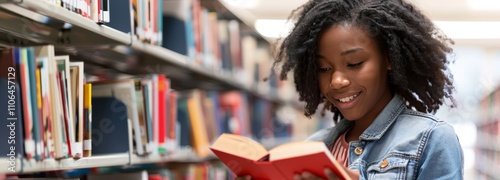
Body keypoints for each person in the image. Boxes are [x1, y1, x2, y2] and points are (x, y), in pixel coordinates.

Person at [239, 0, 463, 179]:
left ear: (389, 59)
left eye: (354, 63)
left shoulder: (432, 139)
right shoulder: (313, 147)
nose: (336, 81)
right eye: (323, 68)